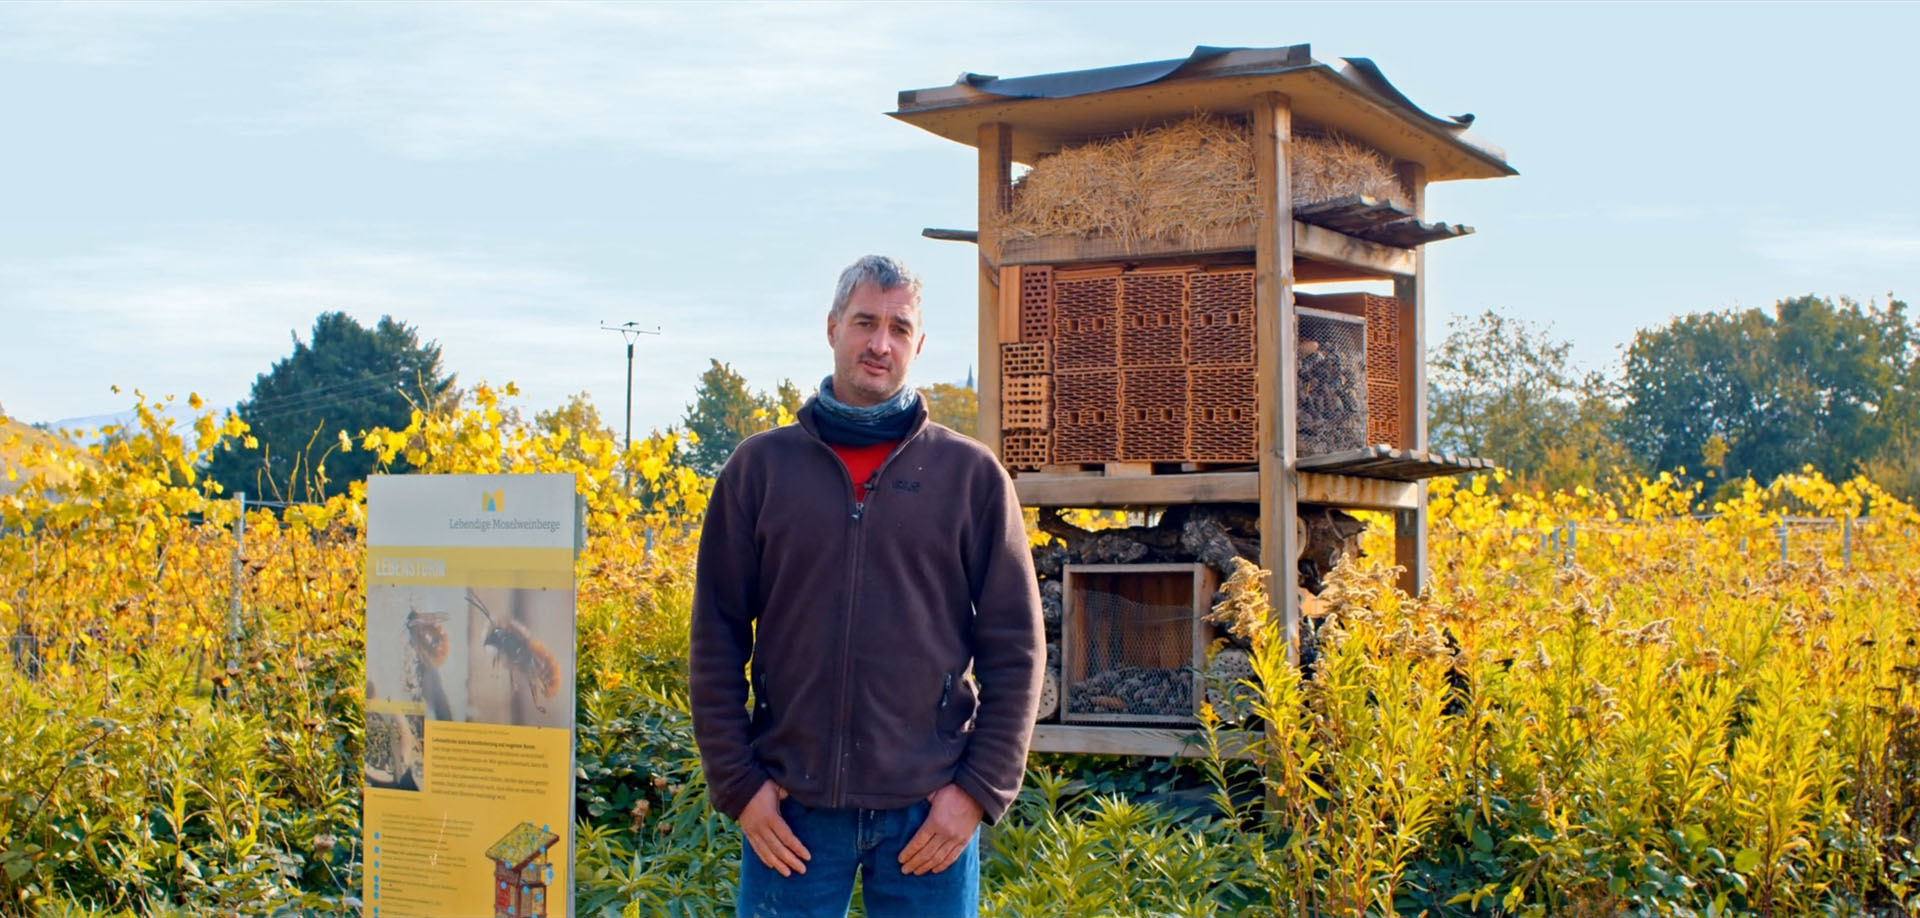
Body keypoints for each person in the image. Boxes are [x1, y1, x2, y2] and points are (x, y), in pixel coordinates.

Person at [689, 254, 1043, 918]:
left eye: (899, 328)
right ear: (832, 328)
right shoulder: (758, 471)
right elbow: (715, 638)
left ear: (919, 344)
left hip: (927, 816)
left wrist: (976, 791)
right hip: (790, 815)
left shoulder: (970, 477)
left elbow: (1017, 648)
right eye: (865, 322)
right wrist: (739, 786)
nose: (881, 343)